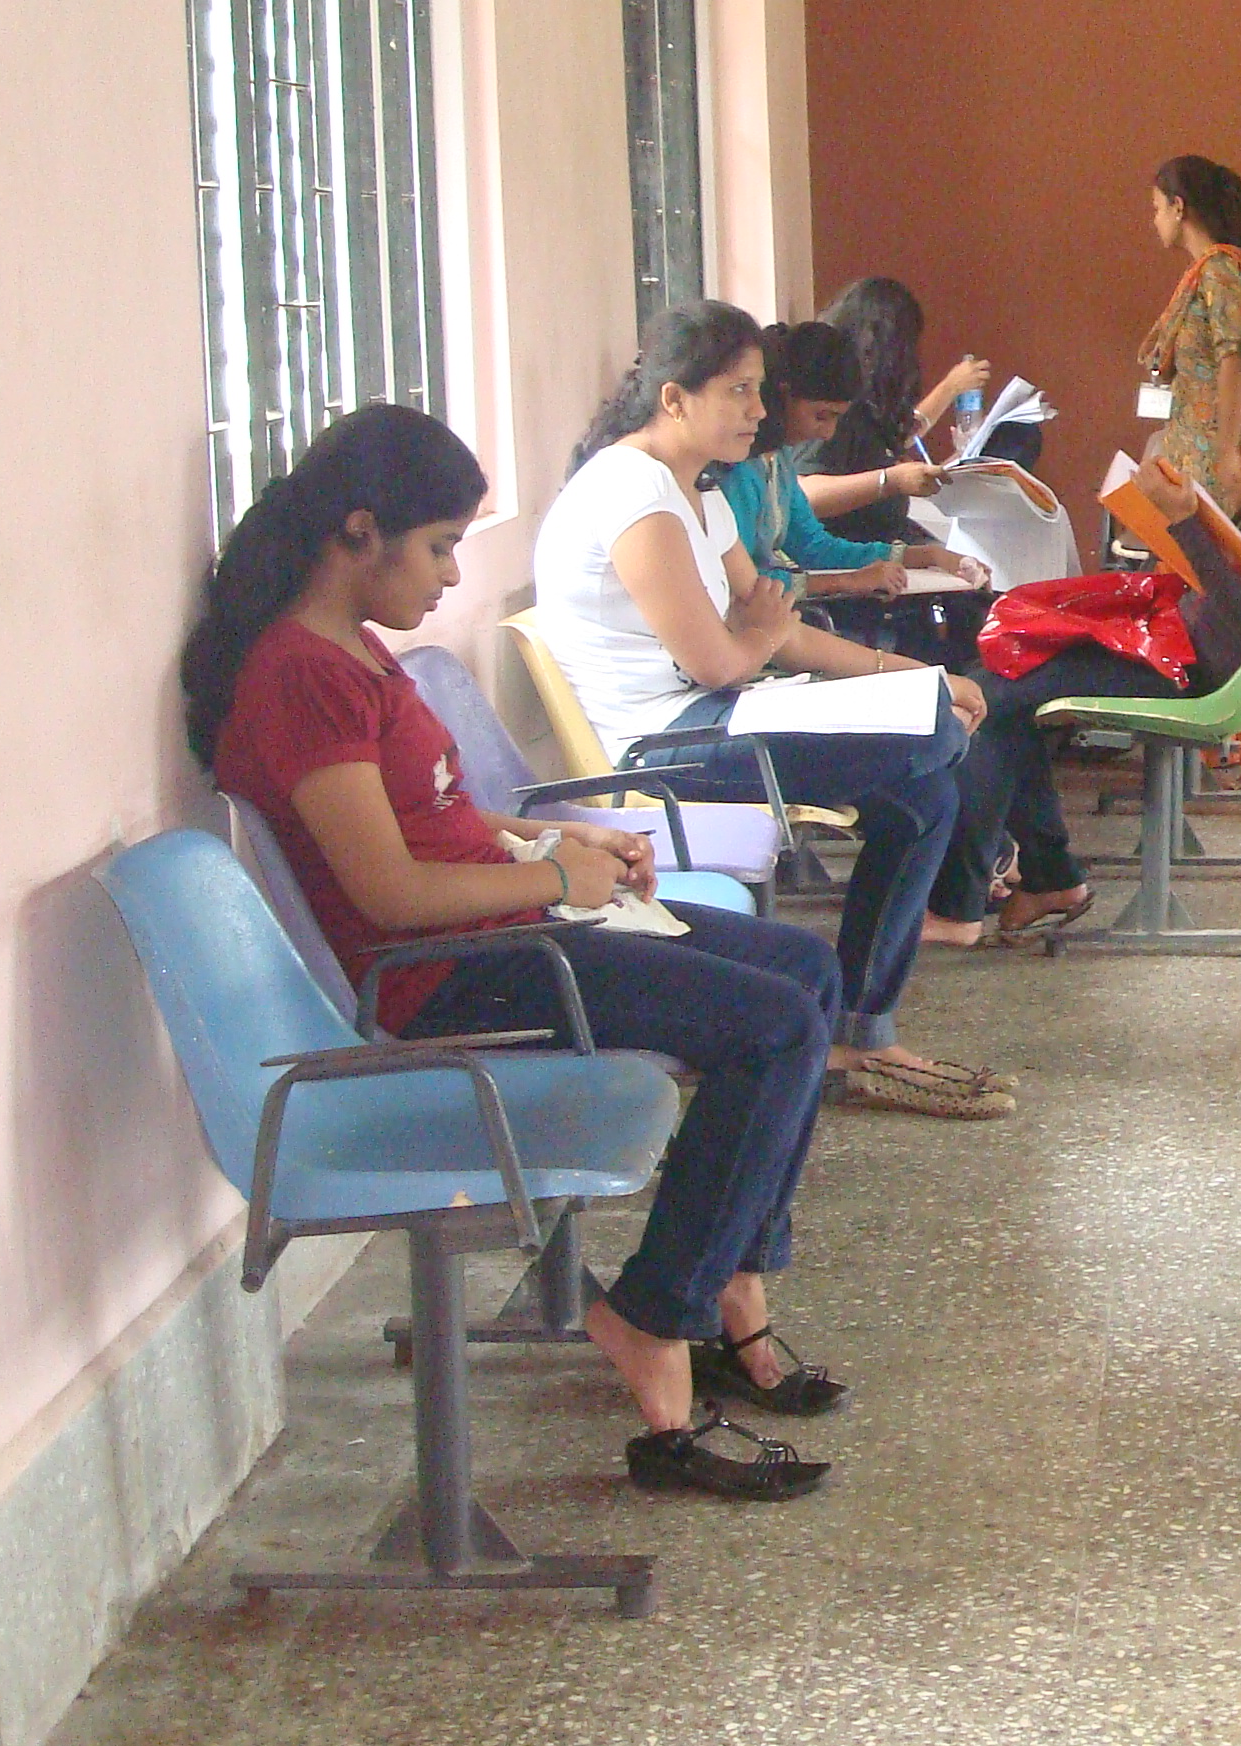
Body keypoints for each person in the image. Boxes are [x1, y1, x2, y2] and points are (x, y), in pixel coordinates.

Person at [185, 405, 845, 1501]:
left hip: (507, 925)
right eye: (440, 544)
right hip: (451, 976)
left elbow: (440, 819)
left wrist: (555, 839)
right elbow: (388, 894)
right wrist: (553, 883)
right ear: (359, 533)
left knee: (805, 975)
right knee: (774, 1030)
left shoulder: (353, 651)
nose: (452, 574)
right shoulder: (299, 678)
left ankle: (729, 1280)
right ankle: (654, 1314)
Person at [531, 302, 1012, 1120]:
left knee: (927, 790)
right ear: (675, 399)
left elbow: (773, 633)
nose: (760, 412)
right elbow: (721, 656)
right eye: (740, 392)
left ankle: (862, 1029)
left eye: (761, 391)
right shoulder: (631, 492)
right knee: (932, 739)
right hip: (668, 745)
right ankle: (846, 1037)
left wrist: (915, 673)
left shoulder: (701, 491)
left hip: (728, 711)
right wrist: (764, 633)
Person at [952, 318, 1241, 938]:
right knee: (998, 679)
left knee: (993, 694)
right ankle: (1043, 875)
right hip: (1181, 644)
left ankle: (986, 891)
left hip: (1192, 670)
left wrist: (1183, 525)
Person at [721, 319, 991, 669]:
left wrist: (924, 556)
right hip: (746, 635)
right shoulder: (734, 469)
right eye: (821, 416)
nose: (828, 432)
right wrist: (846, 581)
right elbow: (746, 583)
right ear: (782, 394)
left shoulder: (779, 459)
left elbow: (815, 546)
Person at [800, 277, 1007, 553]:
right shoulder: (839, 408)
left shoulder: (865, 409)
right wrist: (891, 481)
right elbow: (804, 493)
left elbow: (895, 435)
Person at [1138, 156, 1241, 502]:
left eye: (1157, 208)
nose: (1154, 220)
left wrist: (1227, 452)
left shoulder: (1221, 270)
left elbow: (1237, 358)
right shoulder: (1215, 270)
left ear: (1179, 208)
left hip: (1217, 464)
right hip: (1197, 456)